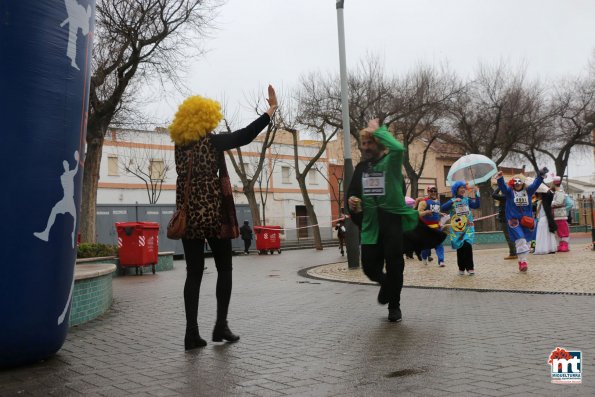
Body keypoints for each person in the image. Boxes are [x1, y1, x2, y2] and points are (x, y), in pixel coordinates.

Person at [170, 85, 277, 350]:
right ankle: (221, 324)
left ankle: (191, 334)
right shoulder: (212, 141)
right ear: (205, 118)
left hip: (189, 217)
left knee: (193, 274)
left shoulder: (179, 147)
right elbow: (244, 136)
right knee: (225, 269)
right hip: (213, 215)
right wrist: (269, 112)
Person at [347, 119, 444, 323]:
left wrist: (379, 131)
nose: (365, 148)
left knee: (395, 266)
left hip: (392, 224)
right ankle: (385, 284)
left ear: (379, 144)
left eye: (369, 143)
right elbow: (353, 193)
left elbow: (398, 148)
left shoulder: (390, 163)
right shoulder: (361, 168)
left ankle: (394, 306)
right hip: (371, 225)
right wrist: (353, 202)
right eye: (363, 144)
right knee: (369, 267)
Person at [496, 169, 546, 272]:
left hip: (527, 220)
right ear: (513, 183)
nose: (518, 184)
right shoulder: (510, 192)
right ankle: (523, 262)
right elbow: (503, 187)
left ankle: (521, 260)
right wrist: (500, 178)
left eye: (520, 181)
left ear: (523, 183)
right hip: (514, 221)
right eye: (516, 181)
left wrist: (540, 176)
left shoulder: (528, 191)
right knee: (520, 239)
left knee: (527, 242)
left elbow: (536, 184)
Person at [441, 181, 480, 275]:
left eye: (464, 187)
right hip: (457, 229)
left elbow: (477, 205)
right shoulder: (452, 201)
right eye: (460, 188)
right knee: (460, 247)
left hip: (468, 227)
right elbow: (442, 208)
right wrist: (453, 200)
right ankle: (461, 268)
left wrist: (477, 193)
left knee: (467, 245)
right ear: (456, 189)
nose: (463, 189)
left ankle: (470, 267)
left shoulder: (467, 200)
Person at [418, 185, 445, 267]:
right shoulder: (423, 202)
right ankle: (424, 257)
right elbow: (418, 213)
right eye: (431, 191)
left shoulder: (438, 202)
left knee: (439, 244)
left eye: (434, 191)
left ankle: (441, 261)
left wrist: (441, 214)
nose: (433, 193)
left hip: (436, 227)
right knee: (426, 247)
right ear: (428, 192)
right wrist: (425, 212)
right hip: (426, 228)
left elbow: (435, 211)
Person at [491, 186, 517, 260]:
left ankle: (513, 253)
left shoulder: (505, 197)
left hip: (505, 218)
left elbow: (494, 194)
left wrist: (500, 187)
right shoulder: (513, 196)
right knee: (512, 235)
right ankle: (515, 251)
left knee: (508, 236)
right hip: (512, 218)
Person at [534, 185, 558, 255]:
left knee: (543, 235)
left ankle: (544, 248)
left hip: (543, 220)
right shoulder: (542, 202)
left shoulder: (545, 202)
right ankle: (550, 248)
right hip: (545, 219)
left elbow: (538, 213)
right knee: (548, 234)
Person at [550, 177, 570, 252]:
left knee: (563, 230)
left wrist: (550, 203)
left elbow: (559, 202)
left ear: (554, 184)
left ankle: (565, 245)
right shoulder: (557, 193)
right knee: (559, 231)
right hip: (557, 215)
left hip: (560, 215)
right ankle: (561, 244)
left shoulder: (560, 192)